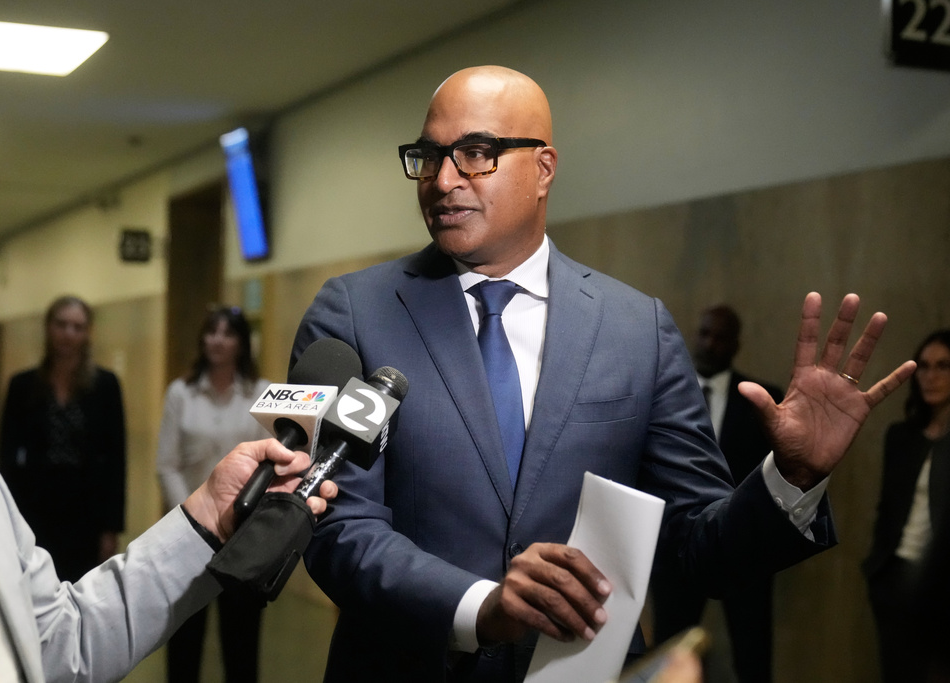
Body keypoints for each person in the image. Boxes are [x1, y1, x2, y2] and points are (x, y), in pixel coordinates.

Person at [293, 65, 915, 682]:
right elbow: (336, 524)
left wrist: (792, 477)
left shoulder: (636, 328)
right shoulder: (353, 313)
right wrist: (483, 606)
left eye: (476, 153)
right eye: (429, 156)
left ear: (543, 170)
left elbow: (698, 546)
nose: (443, 179)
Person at [0, 206, 337, 682]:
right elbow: (163, 459)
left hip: (124, 518)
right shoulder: (177, 392)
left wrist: (209, 514)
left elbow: (63, 644)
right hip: (46, 510)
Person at [650, 304, 785, 682]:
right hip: (676, 544)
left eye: (721, 336)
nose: (710, 344)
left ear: (735, 344)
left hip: (745, 549)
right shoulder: (665, 394)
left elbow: (774, 479)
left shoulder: (762, 400)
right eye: (704, 333)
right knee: (670, 655)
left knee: (753, 656)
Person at [157, 306, 270, 683]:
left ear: (241, 343)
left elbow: (271, 461)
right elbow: (167, 464)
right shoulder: (181, 393)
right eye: (210, 332)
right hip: (187, 533)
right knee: (184, 644)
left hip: (244, 535)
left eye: (227, 333)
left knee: (241, 646)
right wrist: (192, 517)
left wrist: (239, 518)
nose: (216, 340)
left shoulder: (263, 393)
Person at [0, 295, 126, 582]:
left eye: (77, 327)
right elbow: (8, 457)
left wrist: (111, 528)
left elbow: (116, 460)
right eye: (61, 325)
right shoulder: (23, 386)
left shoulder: (105, 386)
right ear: (48, 328)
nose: (69, 334)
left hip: (85, 509)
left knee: (79, 587)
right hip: (36, 506)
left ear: (87, 333)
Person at [863, 329, 950, 683]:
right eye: (924, 367)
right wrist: (877, 572)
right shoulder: (901, 436)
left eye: (943, 366)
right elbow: (888, 509)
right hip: (895, 576)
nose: (931, 376)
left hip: (941, 581)